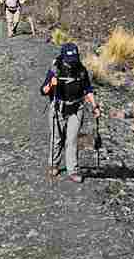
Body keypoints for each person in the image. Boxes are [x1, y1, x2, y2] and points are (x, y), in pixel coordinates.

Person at [40, 42, 97, 181]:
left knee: (71, 140)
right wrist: (51, 85)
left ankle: (73, 171)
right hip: (58, 108)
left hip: (76, 108)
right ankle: (54, 165)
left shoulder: (81, 70)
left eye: (74, 60)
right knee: (57, 138)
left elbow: (88, 90)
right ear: (63, 57)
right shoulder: (55, 69)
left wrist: (95, 106)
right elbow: (43, 90)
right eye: (69, 61)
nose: (72, 63)